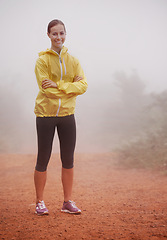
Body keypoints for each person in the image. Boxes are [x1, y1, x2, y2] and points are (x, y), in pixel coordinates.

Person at [34, 19, 88, 216]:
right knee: (43, 159)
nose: (58, 37)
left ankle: (67, 202)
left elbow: (84, 86)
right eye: (54, 34)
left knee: (68, 159)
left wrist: (58, 85)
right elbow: (46, 91)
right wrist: (70, 88)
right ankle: (39, 202)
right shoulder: (42, 61)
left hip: (67, 115)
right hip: (45, 115)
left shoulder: (73, 61)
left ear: (66, 34)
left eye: (62, 33)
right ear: (48, 35)